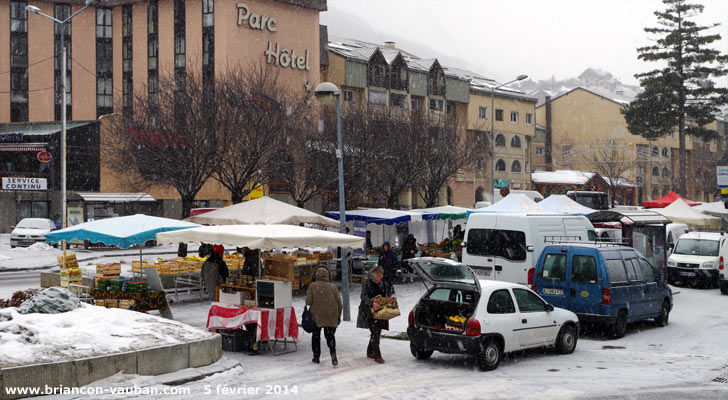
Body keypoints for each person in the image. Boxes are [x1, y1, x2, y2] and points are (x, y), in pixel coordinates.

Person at [305, 267, 342, 366]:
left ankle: (316, 357)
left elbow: (308, 301)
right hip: (331, 315)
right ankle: (333, 356)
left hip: (316, 315)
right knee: (330, 336)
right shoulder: (333, 286)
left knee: (316, 336)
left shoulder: (312, 286)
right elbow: (339, 303)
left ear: (316, 275)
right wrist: (338, 315)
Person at [357, 265, 388, 364]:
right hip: (368, 312)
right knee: (375, 332)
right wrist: (372, 303)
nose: (381, 276)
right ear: (374, 275)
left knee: (376, 332)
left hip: (379, 311)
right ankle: (377, 355)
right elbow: (363, 296)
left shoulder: (382, 283)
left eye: (382, 274)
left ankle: (370, 351)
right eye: (380, 274)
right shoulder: (367, 283)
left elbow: (384, 295)